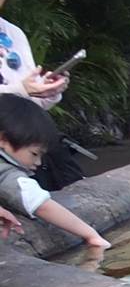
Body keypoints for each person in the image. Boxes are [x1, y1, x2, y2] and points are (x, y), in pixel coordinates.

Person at [0, 0, 82, 191]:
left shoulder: (12, 33)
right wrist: (21, 90)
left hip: (30, 140)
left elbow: (29, 97)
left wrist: (48, 92)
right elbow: (20, 91)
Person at [0, 95, 109, 251]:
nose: (38, 163)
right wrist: (91, 235)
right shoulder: (4, 170)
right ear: (3, 139)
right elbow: (40, 204)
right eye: (34, 154)